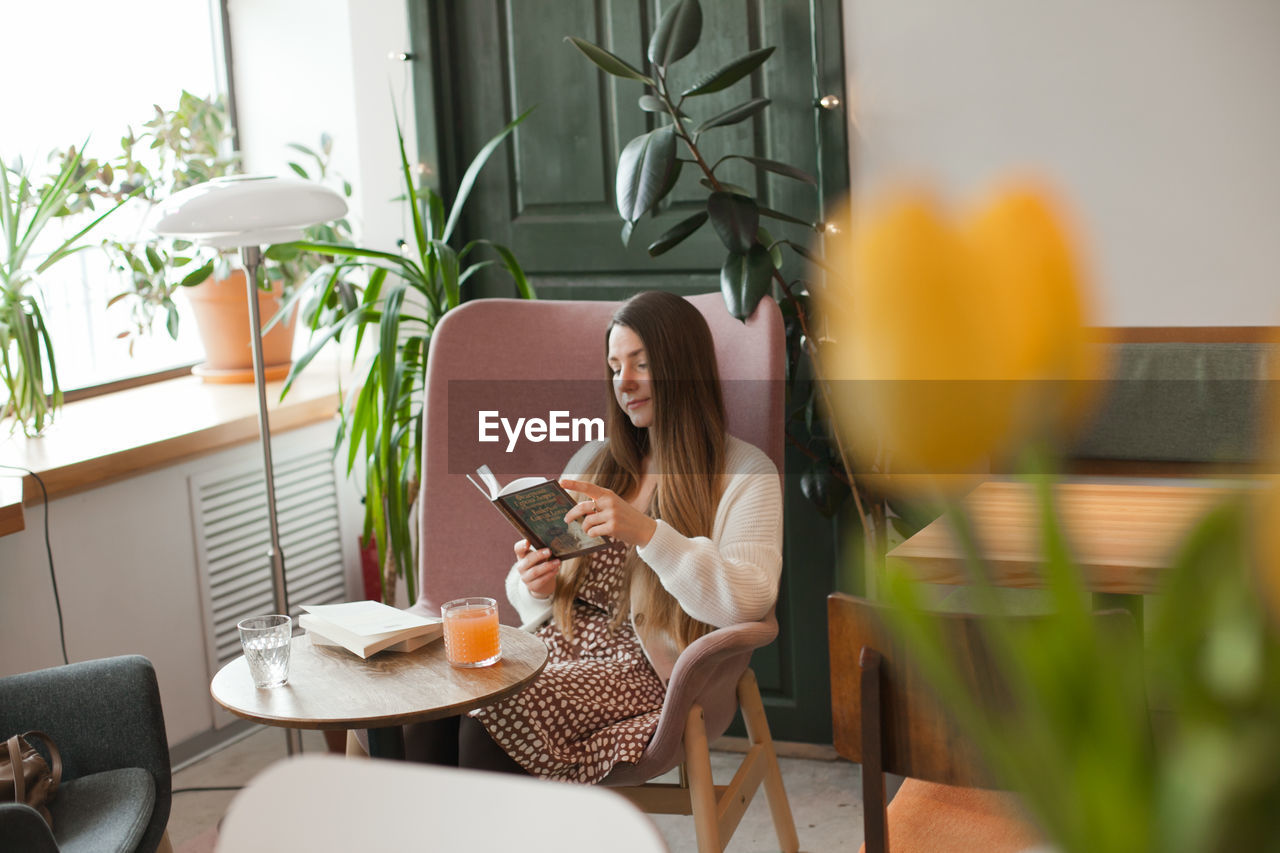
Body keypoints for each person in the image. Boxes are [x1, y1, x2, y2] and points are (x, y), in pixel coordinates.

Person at [434, 290, 783, 781]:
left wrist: (646, 531)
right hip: (556, 647)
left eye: (641, 364)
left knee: (492, 715)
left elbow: (748, 600)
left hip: (647, 671)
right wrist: (537, 584)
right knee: (431, 712)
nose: (626, 383)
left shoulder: (746, 473)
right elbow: (546, 593)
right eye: (616, 367)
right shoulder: (594, 462)